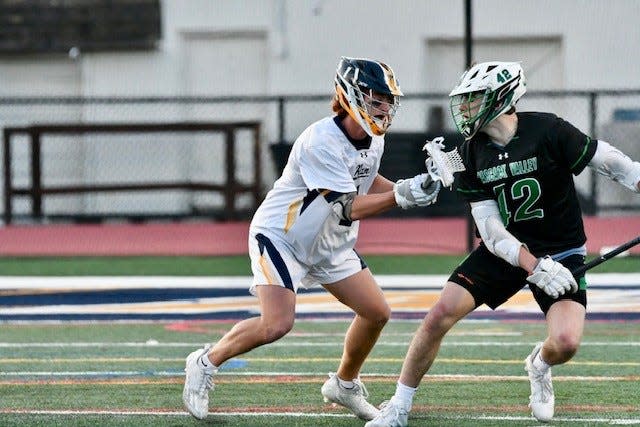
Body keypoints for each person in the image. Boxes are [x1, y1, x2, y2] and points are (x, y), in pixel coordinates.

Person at [365, 61, 640, 426]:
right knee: (437, 316)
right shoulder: (468, 153)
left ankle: (539, 365)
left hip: (562, 250)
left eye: (473, 99)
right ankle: (398, 407)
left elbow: (613, 163)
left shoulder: (548, 130)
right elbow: (492, 232)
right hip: (506, 251)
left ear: (503, 97)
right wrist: (533, 266)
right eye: (463, 101)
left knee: (566, 343)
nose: (464, 109)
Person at [182, 56, 442, 421]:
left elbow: (364, 183)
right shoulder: (320, 142)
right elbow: (348, 206)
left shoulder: (373, 138)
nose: (384, 108)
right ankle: (205, 362)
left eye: (387, 100)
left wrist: (407, 187)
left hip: (328, 241)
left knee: (376, 312)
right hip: (283, 237)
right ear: (350, 95)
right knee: (276, 324)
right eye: (376, 98)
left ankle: (344, 384)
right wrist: (402, 196)